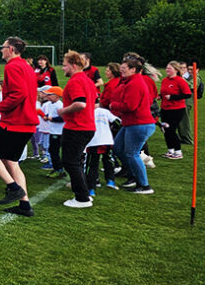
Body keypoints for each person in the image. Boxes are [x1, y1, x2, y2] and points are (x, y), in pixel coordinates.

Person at [0, 37, 38, 216]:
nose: (1, 50)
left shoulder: (12, 66)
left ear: (10, 49)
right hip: (26, 123)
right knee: (11, 162)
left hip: (15, 123)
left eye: (3, 47)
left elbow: (19, 94)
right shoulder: (26, 66)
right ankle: (25, 206)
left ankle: (13, 188)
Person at [109, 55, 157, 194]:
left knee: (132, 153)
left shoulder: (135, 83)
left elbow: (130, 106)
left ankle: (144, 185)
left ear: (133, 69)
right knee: (118, 148)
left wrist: (113, 105)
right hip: (131, 123)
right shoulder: (130, 82)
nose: (121, 70)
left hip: (139, 123)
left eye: (124, 68)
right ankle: (133, 175)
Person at [58, 51, 99, 208]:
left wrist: (63, 110)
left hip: (77, 127)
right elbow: (95, 103)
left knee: (70, 162)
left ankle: (82, 198)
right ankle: (84, 194)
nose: (63, 68)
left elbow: (80, 103)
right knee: (75, 162)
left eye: (65, 65)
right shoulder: (88, 81)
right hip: (86, 126)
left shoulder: (75, 81)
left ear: (73, 65)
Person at [160, 61, 193, 160]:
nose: (167, 70)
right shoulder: (165, 80)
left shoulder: (180, 80)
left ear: (175, 70)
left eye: (169, 68)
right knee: (165, 130)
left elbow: (187, 94)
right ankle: (170, 150)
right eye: (166, 68)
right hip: (165, 108)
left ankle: (178, 152)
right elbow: (164, 92)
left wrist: (172, 97)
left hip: (176, 109)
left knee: (171, 130)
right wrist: (160, 96)